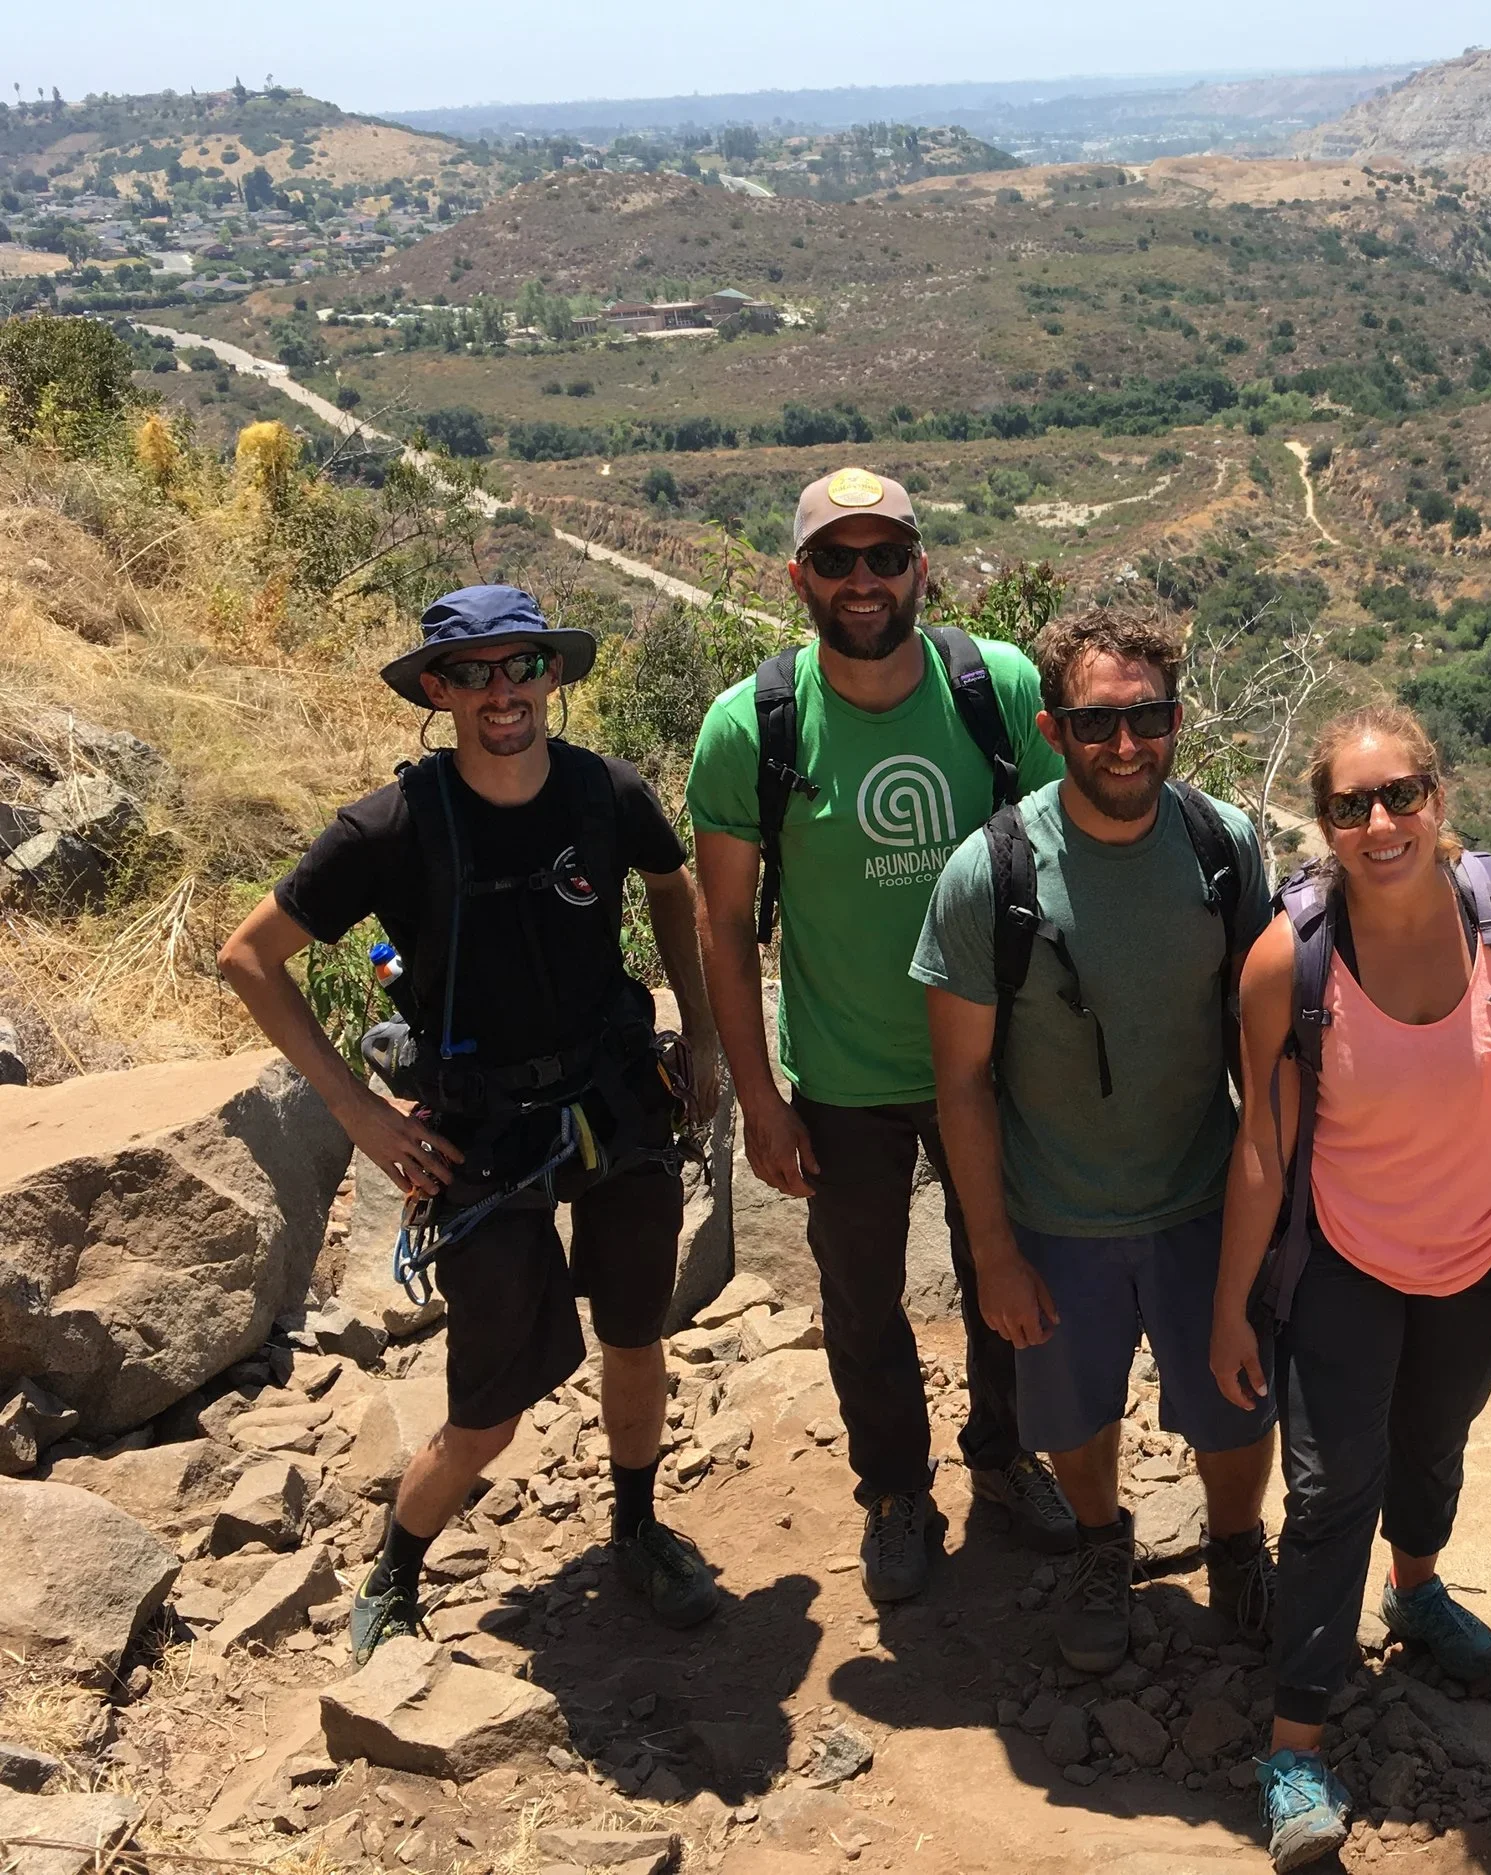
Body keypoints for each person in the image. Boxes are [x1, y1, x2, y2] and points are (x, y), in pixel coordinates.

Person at [217, 584, 727, 1662]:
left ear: (553, 673)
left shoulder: (605, 793)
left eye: (522, 665)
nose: (503, 692)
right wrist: (358, 1113)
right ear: (438, 691)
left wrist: (700, 1033)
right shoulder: (390, 826)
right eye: (474, 672)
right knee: (491, 1404)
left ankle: (637, 1528)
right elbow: (249, 957)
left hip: (614, 1097)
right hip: (480, 1132)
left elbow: (672, 889)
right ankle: (397, 1568)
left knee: (635, 1336)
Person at [1210, 703, 1491, 1872]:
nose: (1379, 823)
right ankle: (1294, 1746)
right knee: (1331, 1488)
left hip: (1487, 1244)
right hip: (1348, 1251)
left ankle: (1417, 1592)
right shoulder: (1289, 962)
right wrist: (1230, 1305)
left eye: (1400, 796)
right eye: (1350, 806)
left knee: (1433, 1439)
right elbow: (1263, 1149)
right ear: (1324, 823)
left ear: (1439, 798)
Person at [687, 468, 1077, 1603]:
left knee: (1009, 1269)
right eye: (836, 559)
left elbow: (1070, 859)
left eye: (886, 556)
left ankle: (1004, 1458)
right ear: (799, 576)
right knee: (860, 1299)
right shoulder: (750, 725)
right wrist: (759, 1099)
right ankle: (896, 1492)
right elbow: (722, 924)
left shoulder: (994, 688)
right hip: (843, 1075)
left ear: (922, 569)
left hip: (993, 1062)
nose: (863, 581)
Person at [913, 603, 1278, 1677]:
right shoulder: (990, 872)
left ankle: (1235, 1546)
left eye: (1147, 718)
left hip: (1202, 1196)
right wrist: (993, 1253)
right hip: (1055, 1210)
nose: (1125, 744)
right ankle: (1098, 1544)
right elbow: (960, 1080)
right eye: (1095, 723)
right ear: (1051, 729)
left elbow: (1262, 1047)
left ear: (1176, 719)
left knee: (1235, 1402)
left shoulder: (1221, 845)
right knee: (1072, 1413)